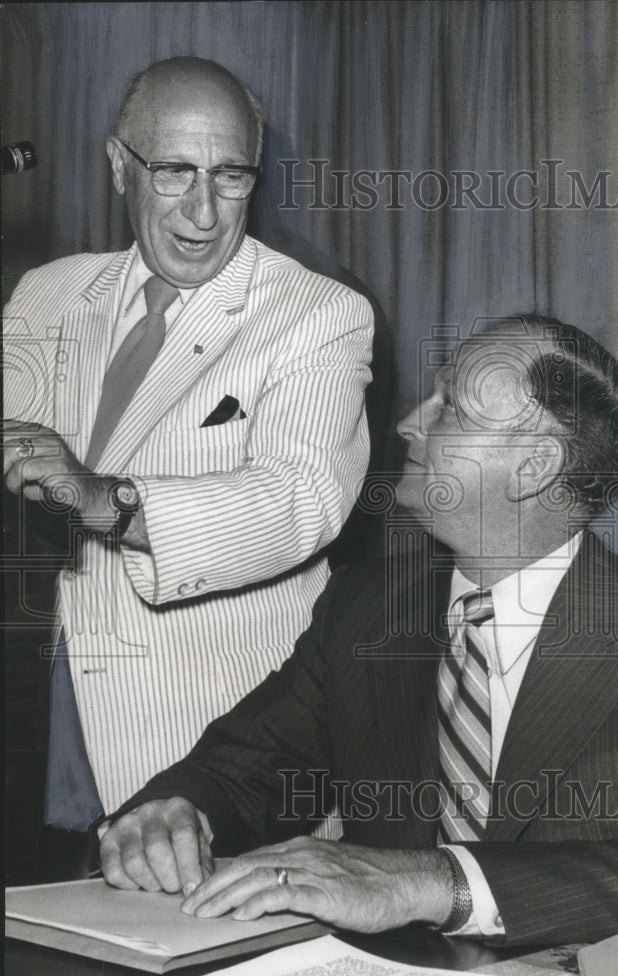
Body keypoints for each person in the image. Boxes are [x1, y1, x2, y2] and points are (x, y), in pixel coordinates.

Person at [99, 314, 618, 947]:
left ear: (534, 465)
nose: (408, 424)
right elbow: (245, 769)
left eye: (448, 407)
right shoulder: (365, 608)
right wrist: (176, 812)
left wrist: (424, 883)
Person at [2, 57, 373, 838]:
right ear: (118, 167)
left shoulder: (318, 314)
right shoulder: (46, 291)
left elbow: (300, 501)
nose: (204, 212)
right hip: (36, 717)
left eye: (230, 175)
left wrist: (105, 498)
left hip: (209, 750)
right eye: (173, 171)